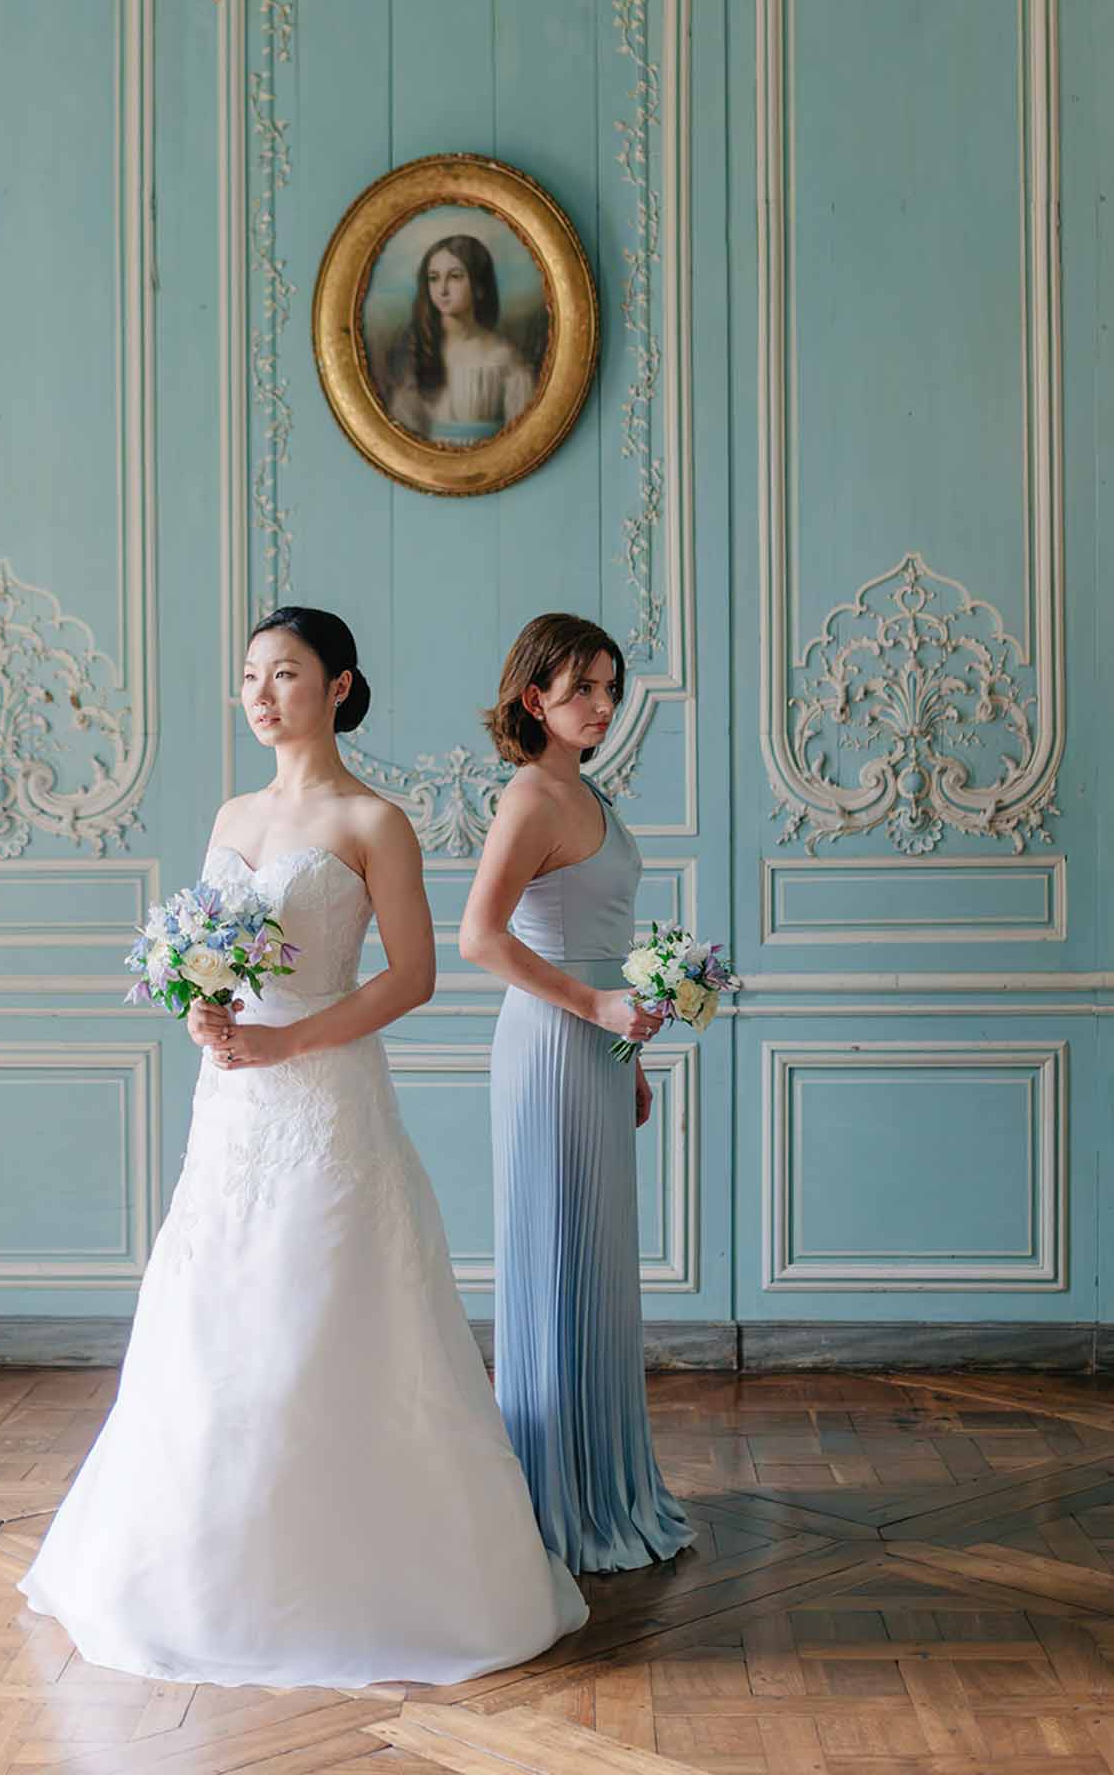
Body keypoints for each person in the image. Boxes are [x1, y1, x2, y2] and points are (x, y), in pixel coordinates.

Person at [16, 605, 587, 1686]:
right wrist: (201, 1010)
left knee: (327, 1306)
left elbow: (412, 975)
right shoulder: (233, 812)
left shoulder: (375, 820)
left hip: (324, 1090)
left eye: (285, 673)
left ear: (340, 686)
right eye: (248, 676)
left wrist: (288, 1039)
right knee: (210, 1312)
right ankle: (185, 1572)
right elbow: (205, 957)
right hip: (229, 1098)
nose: (261, 693)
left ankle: (365, 1579)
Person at [458, 612, 696, 1574]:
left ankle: (607, 1484)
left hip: (597, 1052)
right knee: (557, 1265)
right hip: (552, 1049)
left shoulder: (584, 790)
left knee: (598, 1270)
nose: (602, 705)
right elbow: (479, 936)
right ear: (534, 698)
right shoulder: (531, 797)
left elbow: (603, 937)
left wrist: (627, 1054)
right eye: (582, 688)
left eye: (609, 687)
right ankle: (559, 1500)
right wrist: (598, 1007)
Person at [384, 235, 536, 444]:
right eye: (434, 278)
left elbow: (523, 437)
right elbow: (403, 431)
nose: (442, 290)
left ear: (479, 286)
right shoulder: (416, 351)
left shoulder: (504, 357)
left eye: (455, 277)